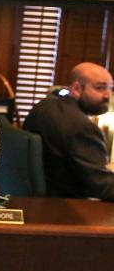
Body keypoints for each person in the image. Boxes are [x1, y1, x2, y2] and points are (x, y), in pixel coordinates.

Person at [23, 62, 114, 201]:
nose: (107, 95)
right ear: (77, 88)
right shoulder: (82, 127)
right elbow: (102, 187)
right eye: (100, 88)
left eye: (110, 88)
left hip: (38, 199)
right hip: (68, 206)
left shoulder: (44, 106)